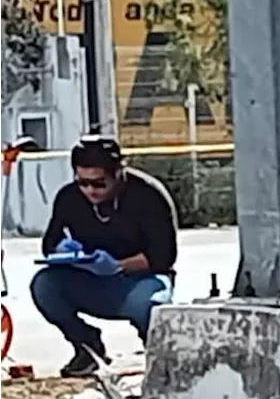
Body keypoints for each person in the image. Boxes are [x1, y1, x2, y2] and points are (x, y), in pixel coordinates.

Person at [31, 135, 178, 377]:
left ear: (118, 173)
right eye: (83, 183)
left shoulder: (148, 195)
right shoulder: (69, 197)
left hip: (140, 279)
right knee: (44, 284)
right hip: (88, 278)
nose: (90, 190)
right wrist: (64, 251)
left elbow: (163, 256)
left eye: (99, 183)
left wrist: (118, 266)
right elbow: (49, 243)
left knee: (148, 304)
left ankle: (157, 355)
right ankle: (86, 346)